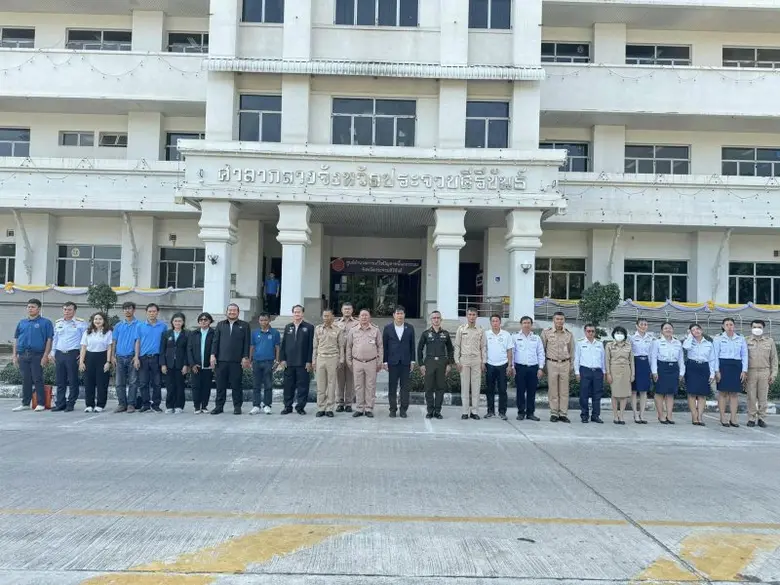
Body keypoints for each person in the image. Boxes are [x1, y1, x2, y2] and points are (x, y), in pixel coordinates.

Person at [12, 299, 54, 412]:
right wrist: (14, 355)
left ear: (39, 309)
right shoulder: (22, 322)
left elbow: (49, 340)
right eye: (29, 307)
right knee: (26, 379)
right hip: (23, 354)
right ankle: (25, 403)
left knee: (37, 379)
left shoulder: (46, 322)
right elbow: (16, 339)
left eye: (33, 307)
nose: (30, 309)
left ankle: (41, 403)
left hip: (37, 355)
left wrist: (45, 355)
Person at [210, 303, 251, 415]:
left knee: (236, 385)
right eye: (230, 310)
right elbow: (215, 341)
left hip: (236, 361)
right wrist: (213, 355)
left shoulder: (244, 325)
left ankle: (237, 407)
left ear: (238, 312)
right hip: (221, 360)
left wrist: (245, 357)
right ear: (226, 312)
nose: (232, 312)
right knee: (220, 385)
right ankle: (219, 407)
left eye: (234, 310)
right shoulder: (220, 325)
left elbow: (247, 342)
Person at [51, 301, 88, 412]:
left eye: (69, 310)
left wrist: (82, 355)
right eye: (65, 309)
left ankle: (71, 403)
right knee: (60, 380)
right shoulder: (58, 322)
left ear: (74, 311)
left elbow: (85, 340)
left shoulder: (81, 323)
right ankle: (60, 403)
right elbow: (55, 339)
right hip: (59, 353)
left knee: (72, 380)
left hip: (73, 353)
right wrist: (52, 352)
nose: (67, 311)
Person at [346, 309, 383, 418]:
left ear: (370, 317)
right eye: (362, 315)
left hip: (371, 362)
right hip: (357, 362)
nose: (364, 317)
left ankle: (368, 408)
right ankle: (359, 408)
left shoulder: (375, 330)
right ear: (358, 317)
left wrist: (379, 361)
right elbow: (349, 346)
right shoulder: (353, 330)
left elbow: (380, 346)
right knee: (358, 386)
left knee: (370, 386)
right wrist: (349, 361)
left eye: (366, 315)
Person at [417, 310, 454, 419]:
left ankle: (437, 411)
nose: (436, 320)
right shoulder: (426, 333)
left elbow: (450, 350)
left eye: (438, 318)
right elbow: (419, 349)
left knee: (440, 388)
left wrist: (449, 364)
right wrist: (421, 364)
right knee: (428, 388)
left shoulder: (445, 334)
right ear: (431, 320)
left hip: (442, 362)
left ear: (441, 319)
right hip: (429, 362)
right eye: (434, 318)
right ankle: (430, 411)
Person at [279, 304, 314, 415]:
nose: (297, 314)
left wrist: (309, 361)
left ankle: (300, 407)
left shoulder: (309, 327)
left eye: (299, 312)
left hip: (303, 363)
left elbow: (311, 346)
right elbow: (283, 344)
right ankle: (287, 406)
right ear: (292, 313)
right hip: (289, 362)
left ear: (302, 313)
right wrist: (282, 359)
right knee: (288, 386)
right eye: (295, 312)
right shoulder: (288, 327)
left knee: (303, 386)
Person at [714, 317, 748, 428]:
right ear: (723, 326)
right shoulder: (718, 338)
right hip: (723, 366)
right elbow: (715, 355)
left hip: (736, 366)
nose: (729, 327)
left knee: (734, 394)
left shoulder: (740, 338)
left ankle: (733, 418)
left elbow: (744, 355)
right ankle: (723, 417)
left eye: (731, 324)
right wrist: (717, 370)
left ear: (734, 326)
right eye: (727, 325)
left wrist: (744, 370)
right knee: (723, 393)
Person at [382, 306, 416, 418]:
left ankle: (403, 410)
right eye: (398, 313)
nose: (400, 315)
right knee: (392, 387)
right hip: (392, 362)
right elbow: (385, 346)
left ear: (404, 315)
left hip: (406, 362)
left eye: (401, 313)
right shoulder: (388, 328)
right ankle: (392, 409)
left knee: (405, 388)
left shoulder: (410, 328)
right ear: (394, 315)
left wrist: (412, 361)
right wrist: (385, 361)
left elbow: (412, 346)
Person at [541, 311, 575, 423]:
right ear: (553, 320)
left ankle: (563, 413)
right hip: (551, 363)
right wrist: (543, 366)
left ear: (564, 320)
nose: (559, 321)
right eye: (557, 319)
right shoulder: (546, 332)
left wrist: (571, 365)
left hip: (565, 363)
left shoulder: (569, 334)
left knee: (564, 390)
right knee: (553, 390)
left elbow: (572, 351)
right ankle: (554, 413)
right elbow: (542, 349)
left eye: (561, 319)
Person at [511, 316, 545, 422]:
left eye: (528, 323)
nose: (526, 325)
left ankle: (530, 413)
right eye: (524, 323)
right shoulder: (515, 337)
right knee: (520, 391)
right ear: (521, 324)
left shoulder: (536, 338)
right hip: (520, 368)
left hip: (533, 368)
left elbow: (541, 353)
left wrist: (540, 368)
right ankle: (521, 412)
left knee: (532, 391)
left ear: (531, 324)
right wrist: (512, 367)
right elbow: (512, 353)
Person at [745, 319, 778, 428]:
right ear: (751, 328)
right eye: (754, 327)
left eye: (759, 327)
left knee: (763, 397)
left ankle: (762, 418)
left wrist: (773, 374)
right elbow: (743, 358)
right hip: (751, 371)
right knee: (751, 397)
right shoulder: (746, 341)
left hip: (765, 372)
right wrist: (744, 372)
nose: (757, 329)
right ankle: (751, 418)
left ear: (763, 328)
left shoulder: (769, 341)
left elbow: (774, 359)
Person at [650, 322, 685, 425]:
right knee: (659, 392)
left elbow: (681, 359)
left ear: (673, 330)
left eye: (670, 328)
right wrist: (654, 372)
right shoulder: (657, 342)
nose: (668, 330)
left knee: (670, 393)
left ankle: (669, 415)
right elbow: (653, 358)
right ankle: (661, 415)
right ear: (661, 331)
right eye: (665, 328)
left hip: (673, 368)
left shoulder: (677, 343)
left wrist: (682, 372)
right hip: (661, 367)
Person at [454, 307, 485, 421]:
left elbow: (483, 347)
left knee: (476, 386)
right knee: (465, 386)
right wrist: (457, 361)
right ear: (467, 316)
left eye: (474, 315)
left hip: (476, 360)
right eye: (470, 315)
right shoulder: (461, 329)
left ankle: (474, 411)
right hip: (464, 360)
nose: (472, 317)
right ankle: (465, 412)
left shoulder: (481, 330)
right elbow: (457, 346)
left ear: (477, 316)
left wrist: (483, 361)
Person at [313, 308, 345, 418]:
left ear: (332, 317)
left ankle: (329, 408)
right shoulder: (318, 329)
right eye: (324, 316)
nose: (326, 318)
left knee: (332, 384)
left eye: (328, 316)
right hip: (321, 358)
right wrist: (313, 360)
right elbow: (315, 347)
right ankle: (321, 408)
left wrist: (341, 360)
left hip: (333, 358)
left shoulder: (338, 330)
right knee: (321, 385)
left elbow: (341, 346)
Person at [79, 312, 113, 413]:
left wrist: (108, 362)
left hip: (102, 357)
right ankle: (89, 405)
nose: (97, 321)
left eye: (100, 319)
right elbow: (83, 348)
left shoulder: (108, 332)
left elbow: (109, 348)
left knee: (102, 382)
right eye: (95, 319)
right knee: (89, 382)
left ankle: (100, 405)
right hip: (89, 357)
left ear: (104, 321)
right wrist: (81, 362)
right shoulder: (87, 332)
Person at [682, 323, 715, 426]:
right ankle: (694, 416)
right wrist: (690, 336)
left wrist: (712, 374)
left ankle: (700, 416)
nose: (696, 331)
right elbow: (686, 347)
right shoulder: (689, 342)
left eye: (697, 329)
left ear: (701, 330)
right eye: (693, 330)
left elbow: (712, 359)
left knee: (702, 394)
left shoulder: (709, 343)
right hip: (692, 367)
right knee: (692, 393)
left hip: (704, 367)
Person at [137, 303, 167, 413]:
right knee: (143, 383)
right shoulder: (140, 326)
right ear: (146, 312)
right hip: (143, 357)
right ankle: (145, 404)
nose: (152, 313)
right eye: (149, 311)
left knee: (157, 383)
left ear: (157, 312)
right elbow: (137, 342)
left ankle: (156, 405)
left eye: (154, 311)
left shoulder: (163, 326)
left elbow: (165, 344)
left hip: (157, 358)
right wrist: (136, 357)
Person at [111, 302, 140, 413]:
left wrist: (136, 357)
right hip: (119, 357)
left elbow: (138, 341)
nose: (127, 311)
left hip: (132, 356)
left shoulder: (139, 325)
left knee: (133, 382)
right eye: (125, 309)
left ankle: (131, 404)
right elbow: (114, 341)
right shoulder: (118, 325)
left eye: (129, 308)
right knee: (119, 382)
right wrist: (112, 356)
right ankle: (122, 404)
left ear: (134, 310)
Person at [574, 323, 606, 423]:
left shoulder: (599, 344)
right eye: (588, 331)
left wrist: (604, 372)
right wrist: (577, 372)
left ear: (595, 332)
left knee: (597, 394)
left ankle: (595, 415)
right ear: (585, 332)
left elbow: (603, 359)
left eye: (592, 331)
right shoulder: (580, 343)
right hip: (585, 370)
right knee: (584, 394)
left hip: (597, 371)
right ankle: (584, 415)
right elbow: (576, 358)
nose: (590, 333)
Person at [250, 312, 280, 415]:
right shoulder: (254, 332)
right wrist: (250, 360)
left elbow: (277, 347)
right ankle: (256, 405)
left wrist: (277, 361)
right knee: (256, 384)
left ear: (269, 320)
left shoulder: (275, 333)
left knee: (268, 385)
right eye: (261, 320)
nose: (263, 322)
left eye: (265, 320)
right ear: (259, 321)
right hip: (256, 361)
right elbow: (252, 347)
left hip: (269, 362)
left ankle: (267, 405)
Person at [484, 314, 512, 420]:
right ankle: (490, 411)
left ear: (500, 322)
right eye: (493, 321)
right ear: (490, 323)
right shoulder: (486, 334)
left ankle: (502, 412)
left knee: (502, 390)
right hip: (490, 365)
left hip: (503, 365)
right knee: (489, 389)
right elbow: (483, 349)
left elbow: (509, 350)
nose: (495, 323)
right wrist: (483, 363)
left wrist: (510, 365)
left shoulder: (506, 335)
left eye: (497, 321)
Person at [160, 312, 189, 414]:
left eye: (179, 321)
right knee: (170, 386)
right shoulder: (166, 334)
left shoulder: (187, 334)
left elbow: (188, 351)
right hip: (169, 364)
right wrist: (163, 364)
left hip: (180, 364)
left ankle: (179, 406)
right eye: (175, 321)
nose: (177, 323)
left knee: (180, 386)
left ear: (183, 322)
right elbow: (162, 350)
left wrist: (186, 365)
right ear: (172, 322)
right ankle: (169, 406)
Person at [605, 326, 634, 425]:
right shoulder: (609, 345)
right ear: (613, 334)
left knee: (624, 394)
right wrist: (608, 373)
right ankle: (615, 415)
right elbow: (607, 360)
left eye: (621, 333)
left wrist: (632, 374)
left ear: (625, 335)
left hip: (626, 370)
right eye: (617, 333)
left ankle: (621, 416)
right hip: (614, 370)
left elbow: (631, 361)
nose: (619, 335)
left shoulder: (628, 345)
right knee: (615, 394)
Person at [188, 312, 214, 414]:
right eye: (201, 320)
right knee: (196, 386)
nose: (203, 321)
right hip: (196, 365)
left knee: (206, 387)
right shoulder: (193, 333)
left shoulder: (214, 333)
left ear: (209, 321)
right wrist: (192, 364)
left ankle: (204, 406)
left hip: (208, 365)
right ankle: (196, 406)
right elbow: (189, 350)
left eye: (205, 319)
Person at [630, 318, 654, 424]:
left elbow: (652, 355)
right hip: (635, 363)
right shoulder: (632, 338)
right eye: (641, 324)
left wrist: (652, 370)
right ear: (637, 326)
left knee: (644, 391)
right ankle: (635, 414)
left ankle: (642, 414)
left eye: (645, 324)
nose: (644, 326)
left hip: (645, 364)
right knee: (634, 390)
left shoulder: (650, 339)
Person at [336, 302, 359, 412]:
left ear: (352, 310)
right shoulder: (336, 323)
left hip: (352, 355)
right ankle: (340, 402)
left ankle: (349, 403)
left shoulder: (357, 323)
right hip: (339, 354)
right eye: (345, 309)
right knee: (339, 380)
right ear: (341, 310)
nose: (347, 311)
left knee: (350, 380)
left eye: (349, 309)